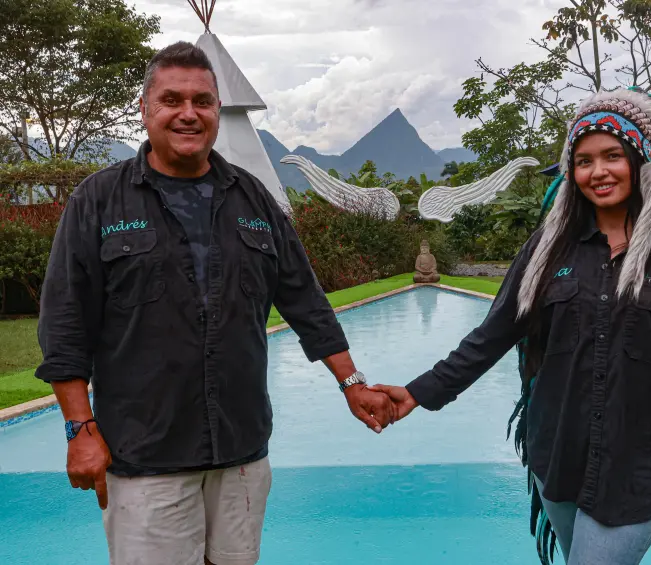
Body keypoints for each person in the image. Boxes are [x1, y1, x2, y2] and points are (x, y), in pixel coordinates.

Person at [371, 87, 651, 564]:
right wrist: (418, 392)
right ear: (571, 172)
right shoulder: (550, 247)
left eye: (612, 156)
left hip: (643, 466)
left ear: (639, 158)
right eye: (584, 161)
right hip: (559, 458)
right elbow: (492, 335)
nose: (598, 171)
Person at [35, 41, 395, 565]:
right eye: (171, 100)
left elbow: (305, 302)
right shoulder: (98, 201)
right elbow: (64, 322)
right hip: (145, 454)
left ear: (216, 110)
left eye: (202, 101)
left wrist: (352, 383)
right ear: (145, 109)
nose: (188, 113)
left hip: (240, 453)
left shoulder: (254, 200)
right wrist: (79, 428)